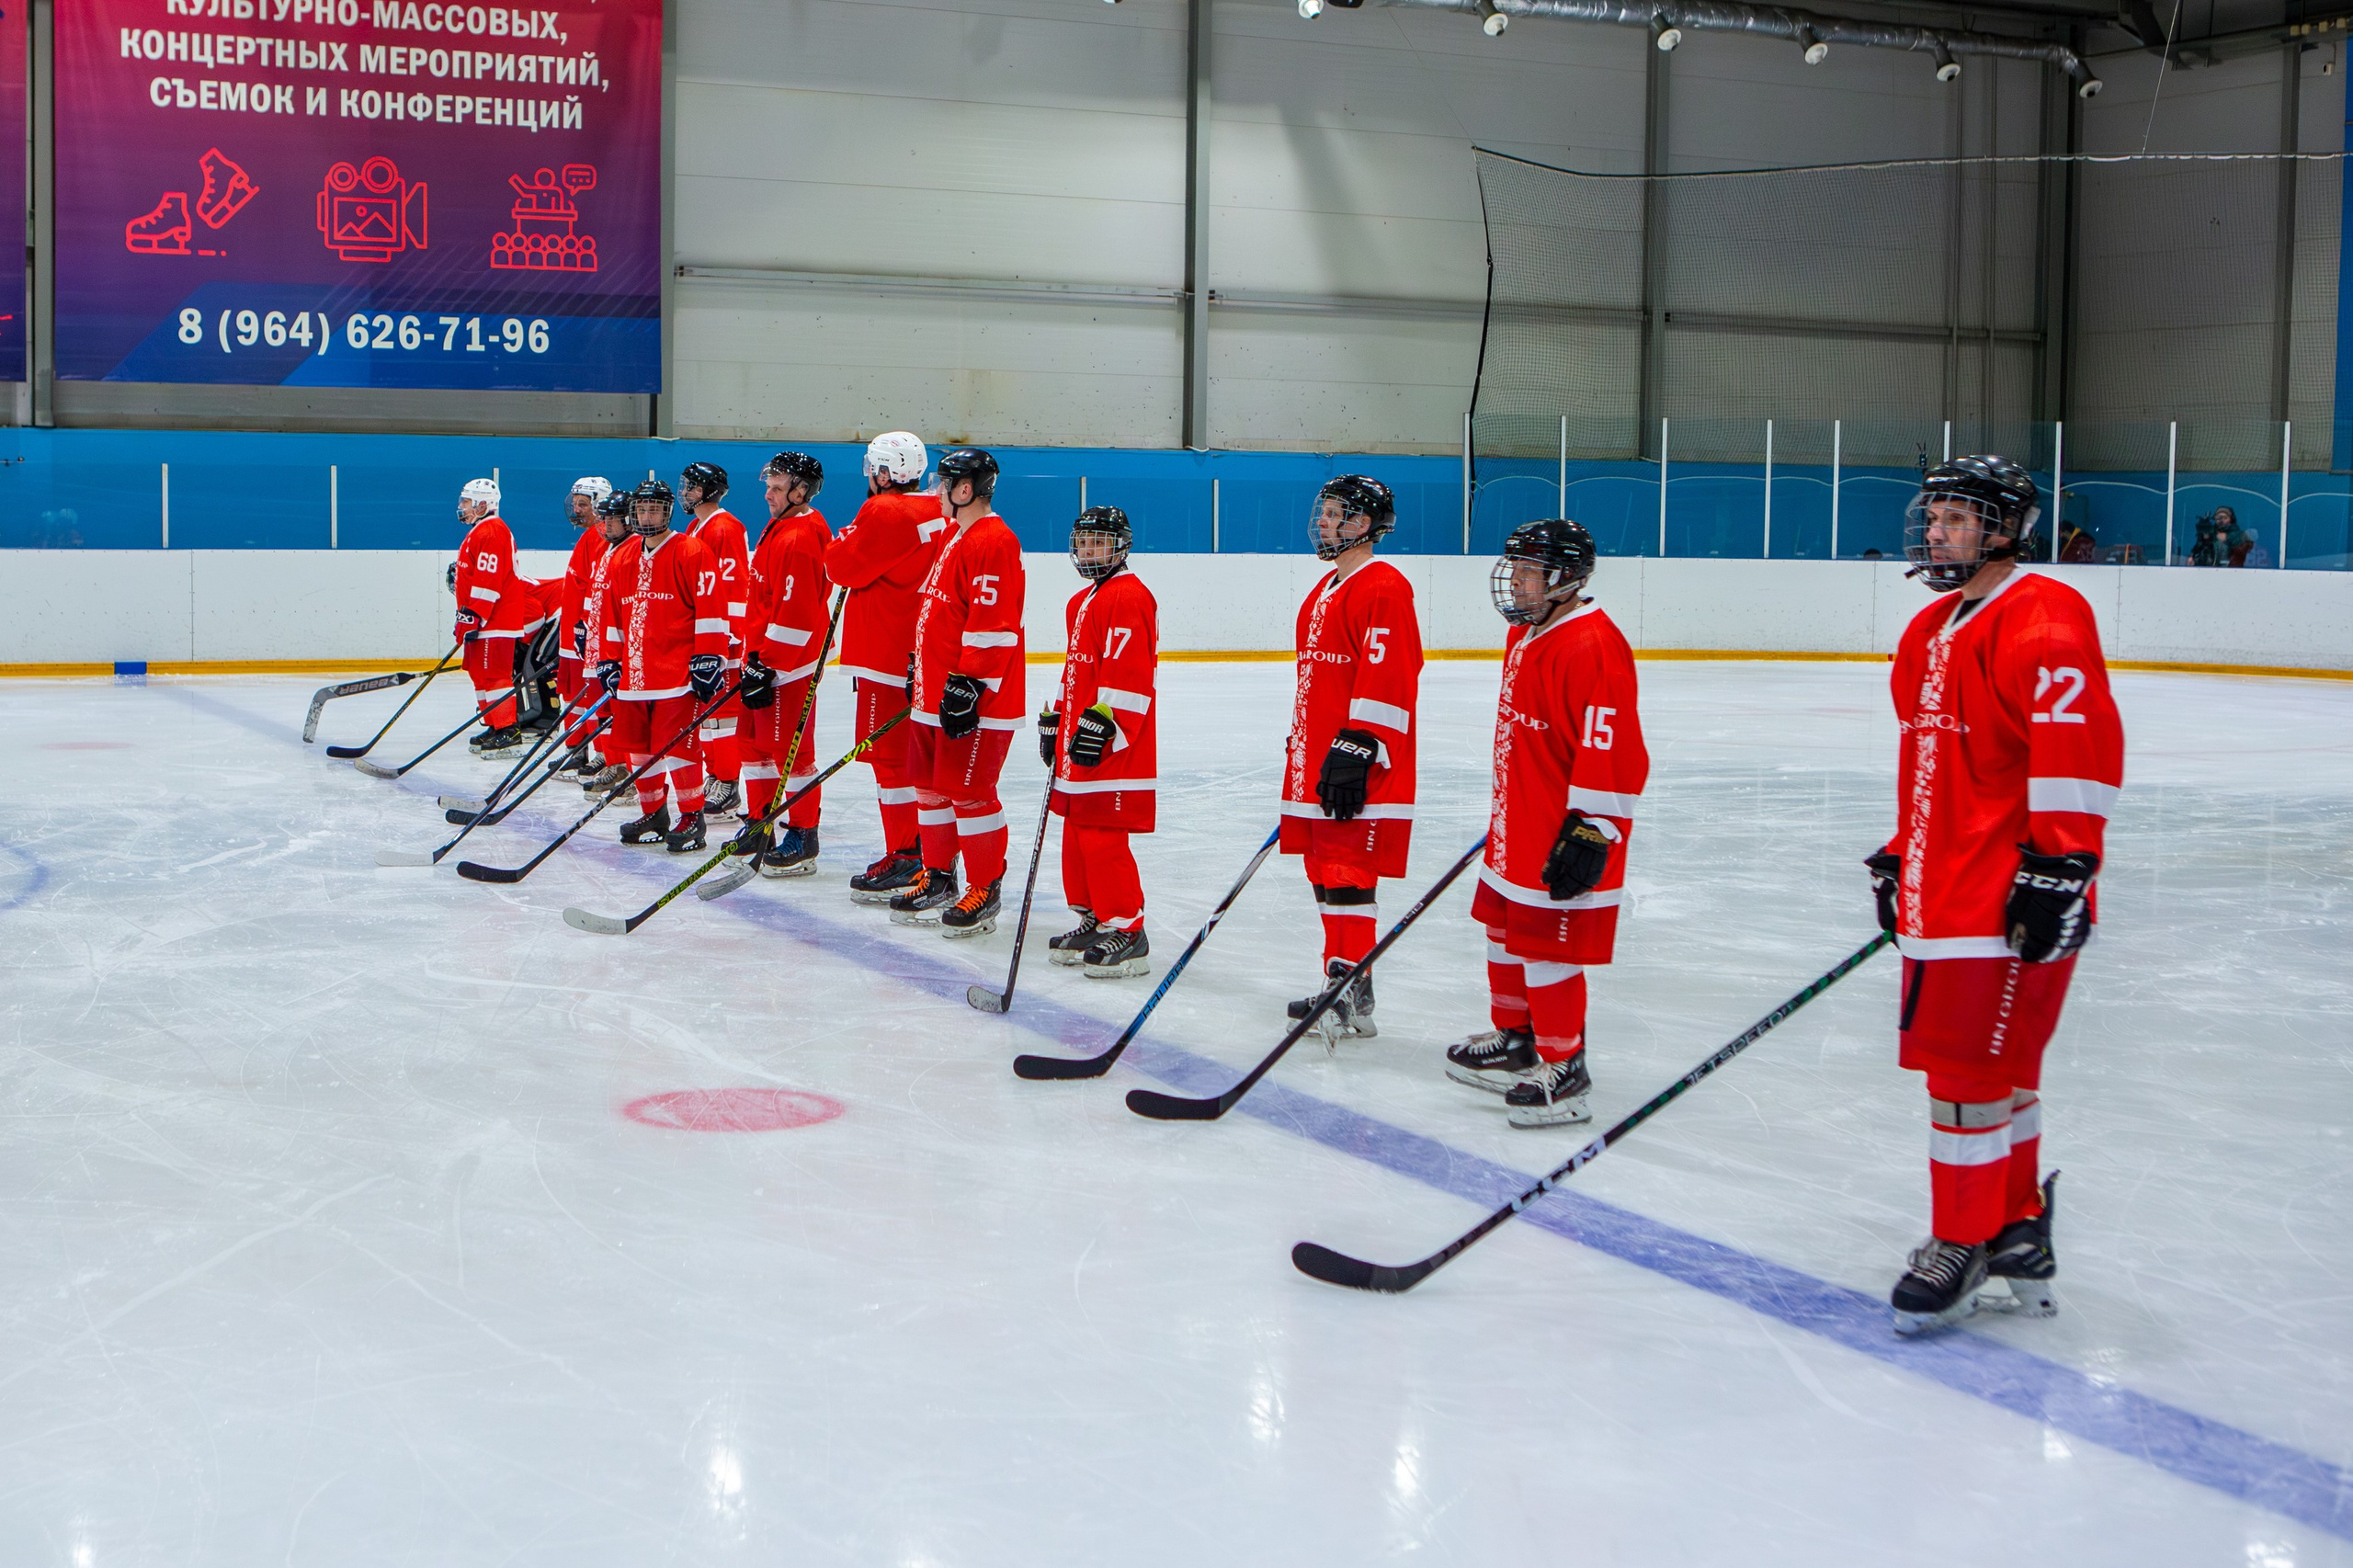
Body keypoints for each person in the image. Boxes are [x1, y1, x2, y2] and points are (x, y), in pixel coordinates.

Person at [1870, 454, 2124, 1335]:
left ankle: (1962, 1238)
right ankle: (2016, 1228)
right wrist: (1902, 855)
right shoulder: (1931, 630)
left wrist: (2061, 868)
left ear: (2003, 529)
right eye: (1932, 515)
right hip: (1946, 889)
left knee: (1967, 1077)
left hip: (2006, 892)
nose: (1935, 531)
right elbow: (1927, 765)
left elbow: (2076, 753)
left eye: (1956, 517)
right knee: (1998, 1073)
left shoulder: (2046, 616)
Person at [1443, 519, 1648, 1127]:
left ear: (1566, 579)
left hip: (1562, 830)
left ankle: (1565, 1062)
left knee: (1546, 946)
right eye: (1518, 572)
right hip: (1518, 820)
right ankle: (1517, 1039)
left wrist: (1593, 831)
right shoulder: (1526, 634)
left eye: (1531, 573)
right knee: (1503, 929)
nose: (1519, 585)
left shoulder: (1593, 644)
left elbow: (1614, 752)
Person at [1280, 475, 1424, 1037]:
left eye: (1334, 512)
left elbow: (1391, 673)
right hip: (1318, 753)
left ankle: (1345, 983)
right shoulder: (1327, 587)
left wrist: (1362, 741)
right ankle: (1347, 981)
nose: (1322, 521)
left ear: (1362, 524)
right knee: (1323, 866)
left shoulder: (1383, 586)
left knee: (1347, 866)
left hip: (1357, 757)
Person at [890, 448, 1026, 936]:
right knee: (928, 789)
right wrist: (919, 670)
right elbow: (939, 613)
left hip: (976, 701)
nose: (935, 491)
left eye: (943, 483)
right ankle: (940, 876)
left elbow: (994, 626)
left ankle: (985, 886)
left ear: (964, 490)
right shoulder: (955, 535)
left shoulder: (993, 541)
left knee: (969, 794)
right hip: (936, 692)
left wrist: (969, 684)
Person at [825, 432, 949, 903]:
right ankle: (928, 850)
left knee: (891, 763)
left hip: (884, 655)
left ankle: (906, 854)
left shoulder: (884, 511)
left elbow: (841, 567)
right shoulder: (938, 507)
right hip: (920, 655)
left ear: (883, 472)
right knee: (915, 760)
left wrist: (843, 542)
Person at [1040, 506, 1159, 978]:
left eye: (1100, 543)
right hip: (1082, 734)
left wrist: (1104, 725)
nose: (1089, 551)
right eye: (1084, 542)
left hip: (1114, 743)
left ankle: (1128, 928)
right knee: (1075, 827)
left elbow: (1130, 676)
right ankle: (1093, 918)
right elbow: (1078, 672)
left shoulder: (1129, 596)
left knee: (1101, 832)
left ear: (1120, 546)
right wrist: (1057, 716)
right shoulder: (1082, 600)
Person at [590, 479, 726, 853]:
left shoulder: (692, 551)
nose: (647, 516)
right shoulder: (623, 557)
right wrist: (607, 660)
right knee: (639, 748)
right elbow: (613, 618)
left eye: (655, 509)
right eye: (642, 509)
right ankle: (654, 812)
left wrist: (708, 657)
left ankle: (691, 816)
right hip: (634, 675)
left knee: (679, 748)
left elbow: (711, 609)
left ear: (667, 512)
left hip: (676, 675)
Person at [730, 451, 833, 877]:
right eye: (768, 486)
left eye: (776, 487)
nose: (768, 495)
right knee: (753, 747)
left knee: (791, 751)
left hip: (788, 667)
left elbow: (797, 614)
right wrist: (752, 659)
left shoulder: (801, 537)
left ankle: (803, 833)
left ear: (800, 490)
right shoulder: (780, 525)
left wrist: (769, 665)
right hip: (762, 660)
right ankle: (761, 822)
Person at [449, 476, 548, 757]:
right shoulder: (480, 531)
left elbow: (488, 581)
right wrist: (466, 616)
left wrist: (473, 615)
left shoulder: (492, 531)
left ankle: (508, 730)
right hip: (484, 620)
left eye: (466, 502)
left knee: (495, 676)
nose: (462, 507)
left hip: (495, 620)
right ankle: (494, 724)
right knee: (480, 675)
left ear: (482, 504)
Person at [676, 461, 752, 819]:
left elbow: (732, 586)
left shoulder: (726, 527)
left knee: (722, 714)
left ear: (709, 490)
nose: (685, 493)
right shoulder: (696, 526)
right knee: (707, 713)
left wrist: (727, 636)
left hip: (723, 638)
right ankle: (714, 775)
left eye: (691, 487)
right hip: (701, 634)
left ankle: (728, 783)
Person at [551, 476, 614, 776]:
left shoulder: (601, 536)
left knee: (591, 694)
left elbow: (598, 589)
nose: (576, 509)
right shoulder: (589, 535)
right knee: (573, 694)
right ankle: (576, 748)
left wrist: (584, 627)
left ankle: (600, 753)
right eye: (575, 503)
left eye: (583, 504)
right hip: (574, 634)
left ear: (600, 505)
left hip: (586, 634)